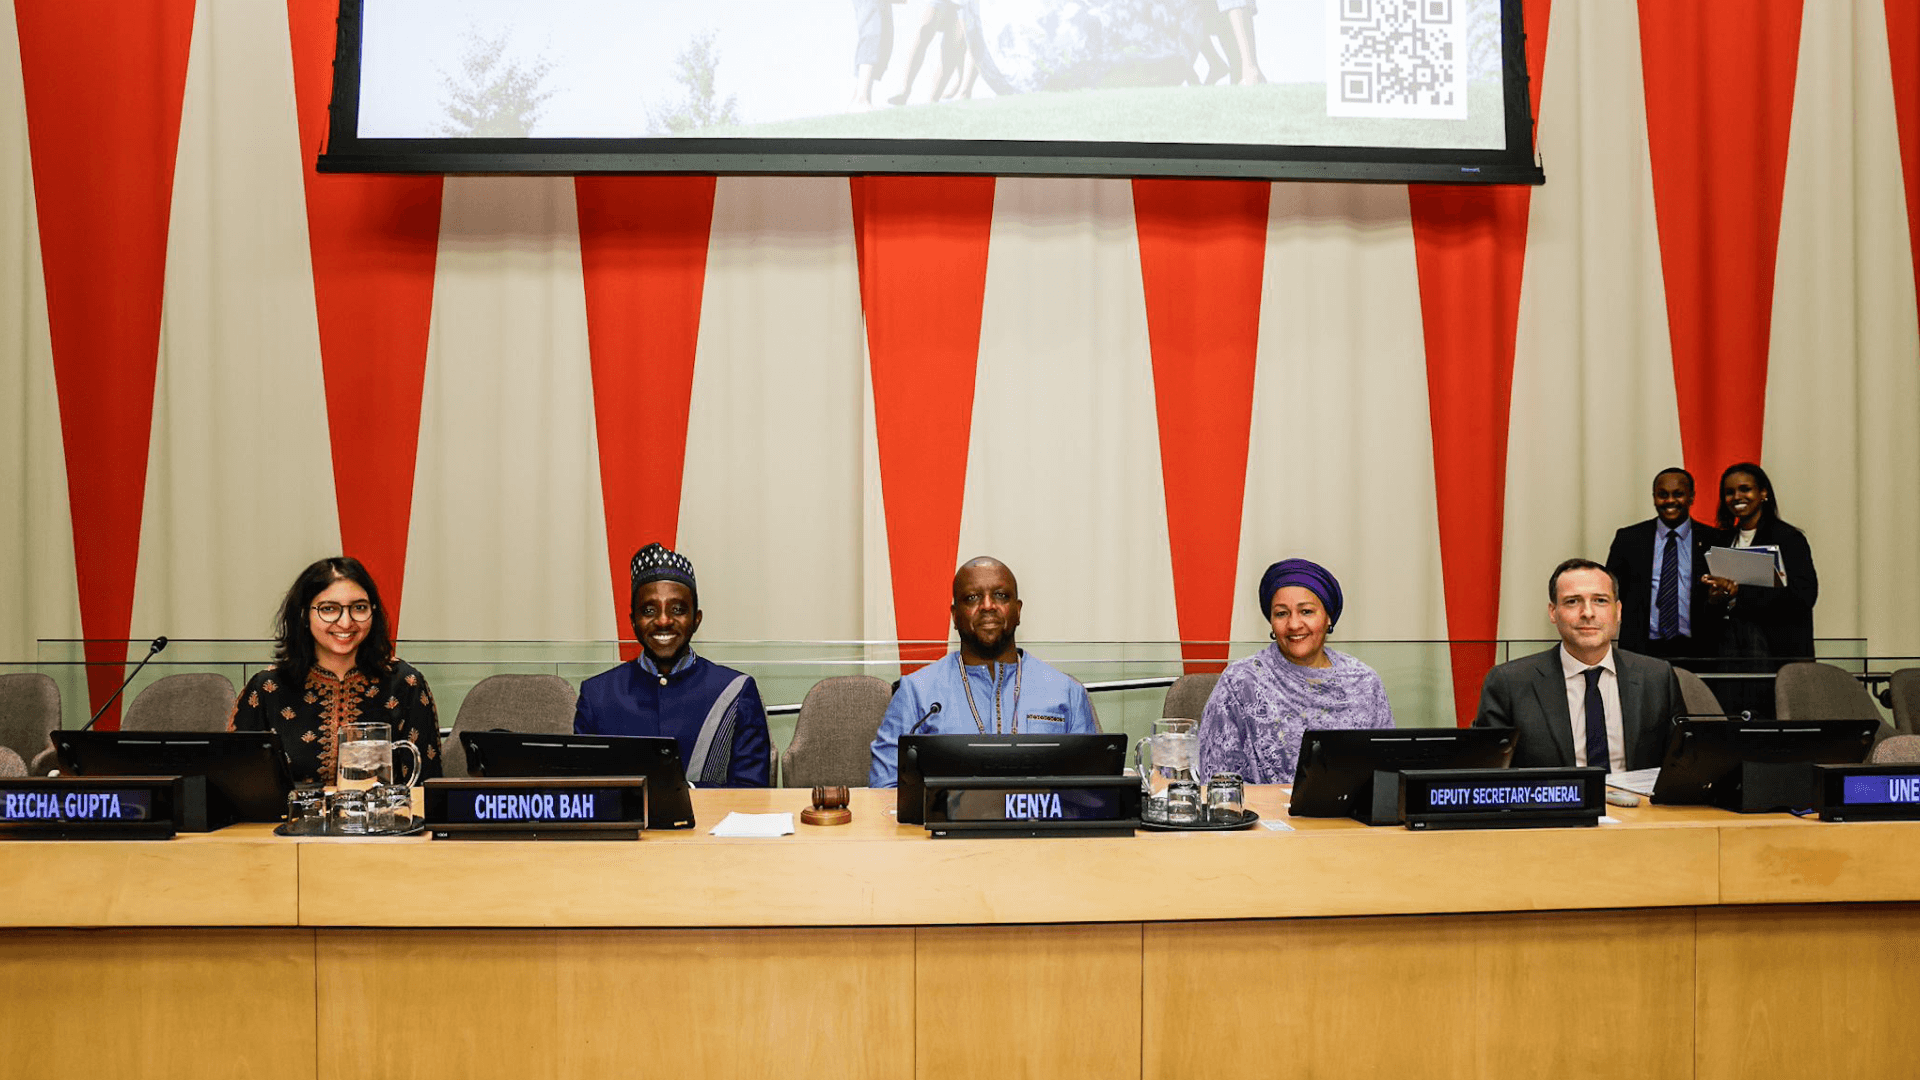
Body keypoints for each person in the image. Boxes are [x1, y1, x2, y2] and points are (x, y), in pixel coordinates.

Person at [868, 557, 1098, 787]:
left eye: (1000, 595)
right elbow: (884, 790)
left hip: (1041, 820)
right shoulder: (916, 693)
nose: (988, 605)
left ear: (1017, 611)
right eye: (972, 598)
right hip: (944, 823)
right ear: (955, 616)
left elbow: (1093, 788)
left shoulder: (1066, 692)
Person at [229, 557, 443, 788]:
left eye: (359, 608)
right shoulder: (268, 688)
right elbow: (237, 786)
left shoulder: (404, 682)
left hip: (383, 822)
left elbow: (427, 788)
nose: (345, 622)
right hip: (285, 824)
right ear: (303, 614)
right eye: (329, 609)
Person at [574, 543, 770, 787]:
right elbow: (583, 793)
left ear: (696, 620)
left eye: (677, 609)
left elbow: (752, 795)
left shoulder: (735, 692)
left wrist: (678, 792)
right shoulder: (597, 695)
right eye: (648, 610)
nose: (663, 620)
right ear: (633, 621)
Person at [1195, 558, 1393, 785]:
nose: (1294, 624)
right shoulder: (1240, 682)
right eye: (1281, 613)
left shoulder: (1364, 682)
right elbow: (1214, 780)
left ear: (1328, 617)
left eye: (1306, 611)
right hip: (1260, 817)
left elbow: (1385, 776)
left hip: (1349, 819)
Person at [1473, 559, 1683, 771]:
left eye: (1600, 601)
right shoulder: (1509, 683)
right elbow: (1487, 775)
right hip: (1553, 803)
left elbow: (1681, 764)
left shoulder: (1657, 677)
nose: (1588, 613)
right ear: (1553, 612)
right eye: (1573, 601)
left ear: (1618, 611)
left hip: (1639, 804)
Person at [1605, 467, 1722, 661]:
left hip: (1699, 651)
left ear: (1691, 497)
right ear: (1654, 498)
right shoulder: (1629, 539)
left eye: (1678, 494)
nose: (1669, 501)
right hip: (1641, 650)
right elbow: (1610, 591)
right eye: (1662, 495)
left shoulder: (1715, 540)